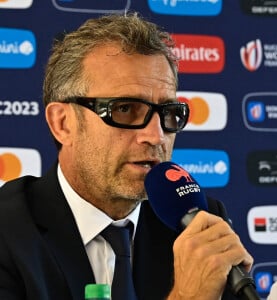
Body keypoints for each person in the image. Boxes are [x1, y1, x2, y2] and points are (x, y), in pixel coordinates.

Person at [0, 13, 253, 300]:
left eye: (168, 113)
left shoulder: (195, 224)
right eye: (125, 109)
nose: (156, 136)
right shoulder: (8, 231)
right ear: (63, 123)